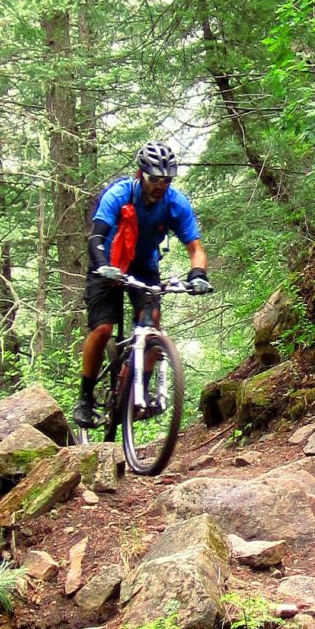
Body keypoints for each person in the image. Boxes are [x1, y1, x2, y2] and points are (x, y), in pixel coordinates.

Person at [74, 139, 212, 430]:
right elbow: (96, 238)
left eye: (167, 179)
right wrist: (102, 266)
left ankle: (141, 393)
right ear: (140, 174)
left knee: (152, 328)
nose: (161, 185)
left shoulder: (175, 203)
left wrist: (197, 273)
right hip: (108, 260)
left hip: (144, 266)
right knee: (103, 329)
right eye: (155, 179)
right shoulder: (119, 194)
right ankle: (85, 399)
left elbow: (195, 247)